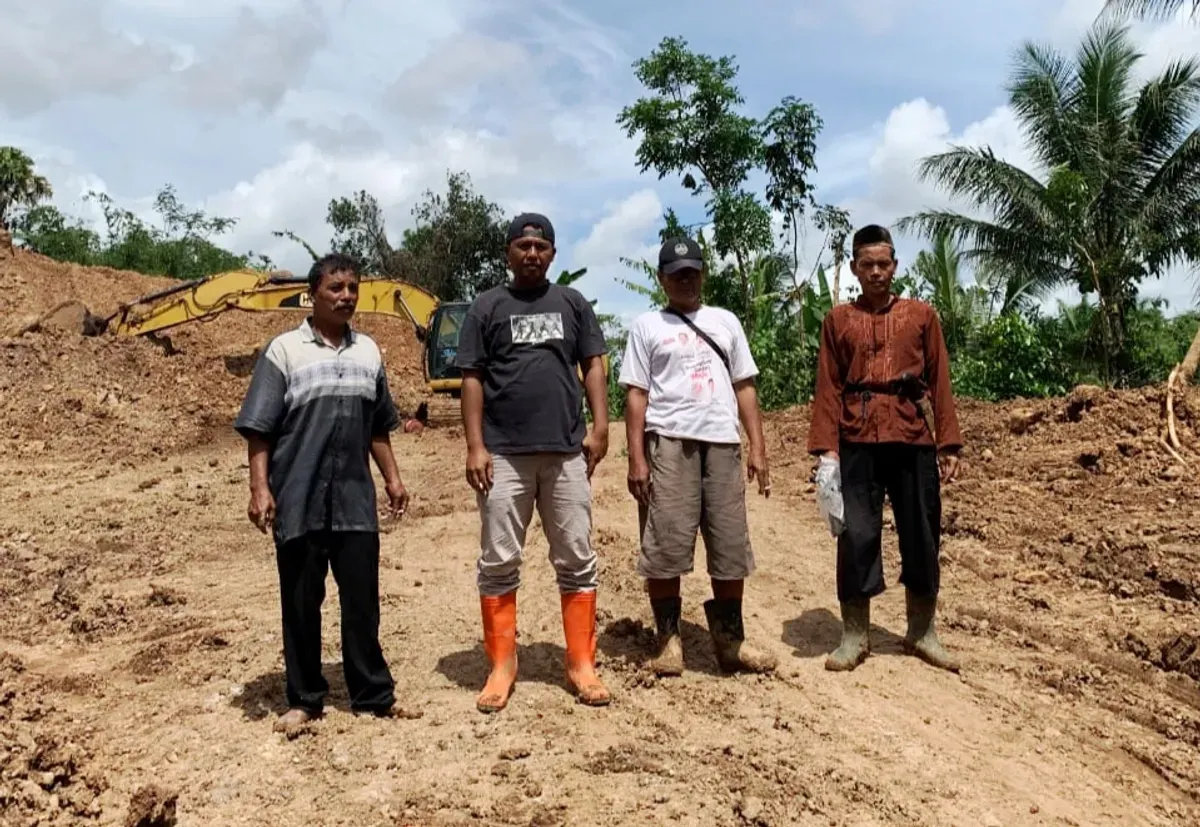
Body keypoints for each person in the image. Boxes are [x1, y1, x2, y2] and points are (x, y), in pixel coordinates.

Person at [234, 253, 410, 732]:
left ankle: (372, 694)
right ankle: (305, 698)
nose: (346, 296)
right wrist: (259, 489)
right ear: (313, 293)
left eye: (352, 287)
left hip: (355, 501)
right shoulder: (284, 351)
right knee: (300, 602)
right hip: (299, 497)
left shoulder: (369, 352)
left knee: (361, 602)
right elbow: (259, 430)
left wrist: (392, 477)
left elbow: (378, 427)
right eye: (336, 288)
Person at [454, 212, 612, 712]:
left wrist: (600, 424)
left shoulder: (571, 303)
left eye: (540, 246)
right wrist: (475, 445)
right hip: (503, 454)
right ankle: (502, 664)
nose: (531, 254)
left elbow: (592, 363)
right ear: (507, 253)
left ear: (552, 254)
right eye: (522, 245)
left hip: (566, 452)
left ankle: (581, 663)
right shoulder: (487, 307)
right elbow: (472, 378)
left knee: (576, 558)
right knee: (499, 561)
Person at [807, 224, 963, 673]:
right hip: (856, 436)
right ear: (855, 268)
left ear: (895, 266)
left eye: (884, 264)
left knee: (921, 531)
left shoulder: (922, 316)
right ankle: (855, 633)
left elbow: (939, 379)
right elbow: (828, 387)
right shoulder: (837, 321)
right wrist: (826, 451)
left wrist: (948, 442)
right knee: (855, 535)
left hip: (912, 436)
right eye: (867, 264)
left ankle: (922, 630)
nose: (876, 272)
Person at [618, 237, 777, 677]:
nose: (685, 280)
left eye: (692, 272)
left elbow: (745, 385)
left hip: (723, 443)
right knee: (665, 542)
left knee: (729, 543)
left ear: (703, 274)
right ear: (662, 278)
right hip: (669, 442)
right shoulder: (647, 326)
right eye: (676, 274)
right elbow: (636, 394)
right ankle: (668, 641)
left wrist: (758, 447)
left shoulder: (725, 321)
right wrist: (636, 458)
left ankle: (731, 641)